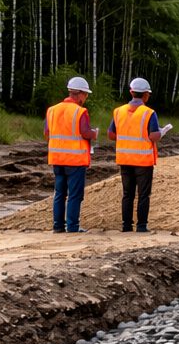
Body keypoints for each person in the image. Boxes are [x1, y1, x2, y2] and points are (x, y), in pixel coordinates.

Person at [45, 76, 98, 233]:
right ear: (80, 94)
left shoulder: (52, 110)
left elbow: (47, 132)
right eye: (86, 95)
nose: (85, 98)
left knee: (59, 193)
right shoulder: (80, 112)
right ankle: (73, 226)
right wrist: (93, 134)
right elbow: (84, 132)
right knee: (74, 195)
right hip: (75, 160)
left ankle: (58, 226)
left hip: (56, 158)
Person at [108, 77, 162, 232]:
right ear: (146, 94)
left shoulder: (118, 112)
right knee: (143, 194)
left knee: (127, 194)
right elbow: (154, 136)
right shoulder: (149, 113)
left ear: (131, 92)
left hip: (125, 159)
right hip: (143, 160)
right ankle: (142, 226)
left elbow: (111, 134)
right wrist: (160, 133)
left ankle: (126, 225)